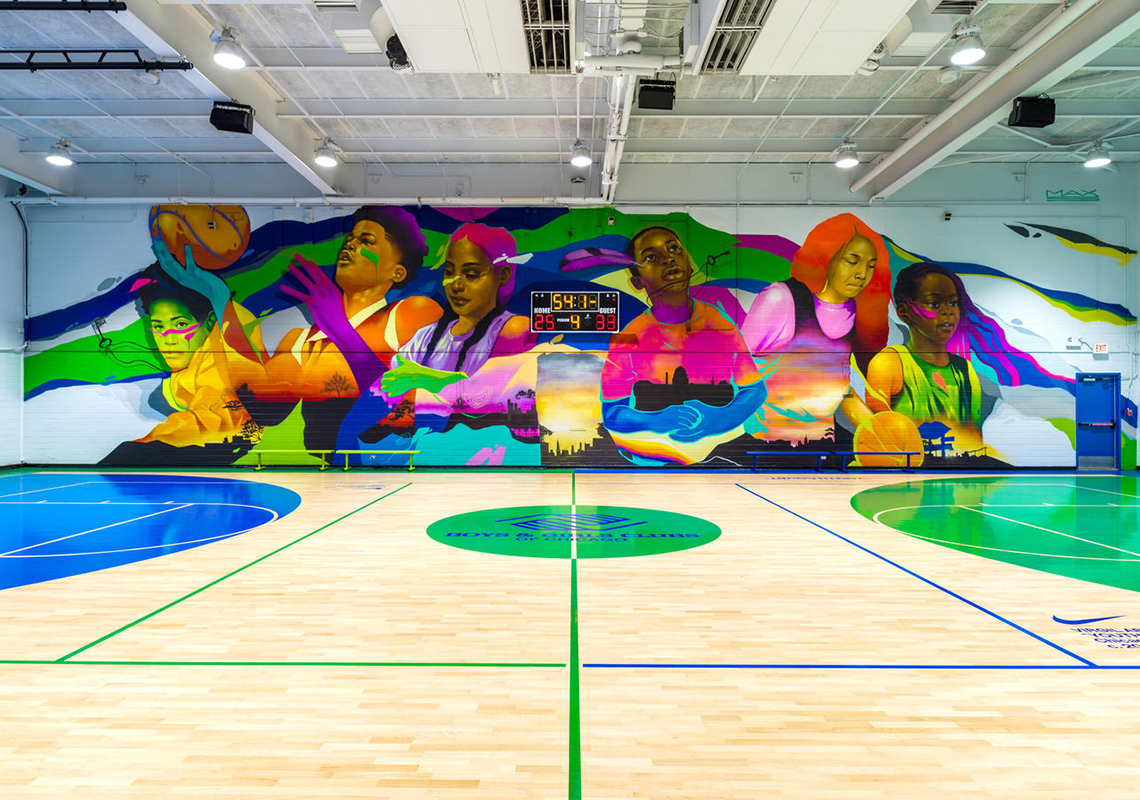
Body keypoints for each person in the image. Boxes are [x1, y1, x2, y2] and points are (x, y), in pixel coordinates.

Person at [600, 226, 766, 465]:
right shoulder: (628, 338)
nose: (668, 258)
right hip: (653, 461)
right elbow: (612, 413)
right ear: (637, 282)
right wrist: (656, 420)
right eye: (651, 257)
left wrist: (720, 418)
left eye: (674, 249)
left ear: (688, 263)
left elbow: (755, 390)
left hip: (716, 455)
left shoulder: (720, 325)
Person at [740, 213, 891, 442]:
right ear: (827, 256)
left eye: (870, 266)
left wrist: (884, 434)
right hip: (766, 443)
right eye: (852, 261)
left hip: (823, 444)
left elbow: (841, 390)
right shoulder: (781, 298)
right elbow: (735, 368)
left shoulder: (856, 315)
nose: (862, 275)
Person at [100, 266, 255, 465]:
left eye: (180, 325)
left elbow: (214, 413)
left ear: (209, 322)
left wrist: (146, 445)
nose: (169, 340)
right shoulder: (185, 369)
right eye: (159, 327)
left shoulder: (217, 360)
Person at [865, 261, 983, 435]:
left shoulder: (964, 369)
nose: (948, 311)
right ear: (904, 311)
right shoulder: (888, 364)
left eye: (953, 303)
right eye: (934, 304)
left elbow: (974, 436)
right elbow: (878, 437)